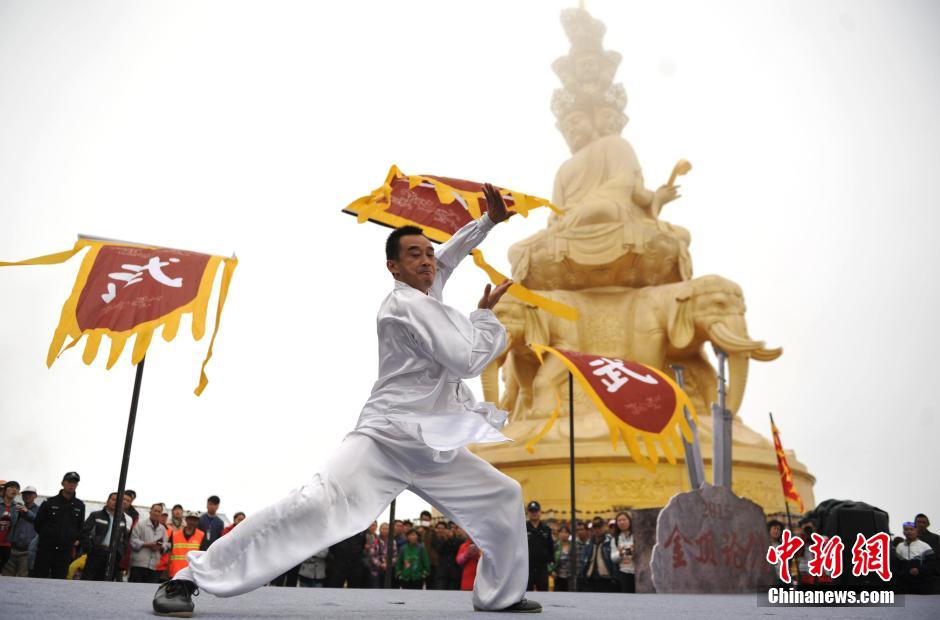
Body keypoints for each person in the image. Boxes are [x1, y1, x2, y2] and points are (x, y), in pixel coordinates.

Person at [152, 186, 538, 615]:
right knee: (311, 504)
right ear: (393, 267)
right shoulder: (405, 305)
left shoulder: (428, 287)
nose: (428, 260)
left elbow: (448, 257)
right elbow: (466, 360)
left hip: (431, 445)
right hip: (386, 438)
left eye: (429, 253)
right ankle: (186, 578)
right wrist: (483, 318)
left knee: (504, 495)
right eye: (416, 255)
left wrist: (486, 223)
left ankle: (500, 596)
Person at [33, 472, 85, 579]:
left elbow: (80, 527)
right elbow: (38, 524)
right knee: (38, 579)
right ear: (63, 483)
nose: (72, 485)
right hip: (46, 549)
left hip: (64, 552)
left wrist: (73, 540)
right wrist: (47, 536)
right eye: (69, 481)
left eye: (74, 482)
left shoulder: (80, 505)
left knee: (59, 582)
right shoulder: (49, 502)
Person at [80, 492, 132, 581]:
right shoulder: (95, 515)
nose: (115, 502)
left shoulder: (122, 518)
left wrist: (120, 553)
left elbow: (125, 538)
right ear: (107, 501)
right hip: (96, 553)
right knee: (88, 581)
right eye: (113, 499)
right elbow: (85, 533)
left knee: (106, 582)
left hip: (113, 556)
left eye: (118, 500)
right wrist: (90, 549)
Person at [3, 484, 39, 576]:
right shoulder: (15, 508)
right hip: (11, 549)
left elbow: (37, 521)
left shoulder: (40, 510)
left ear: (35, 495)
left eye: (30, 494)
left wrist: (26, 512)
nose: (27, 496)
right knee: (6, 577)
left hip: (27, 552)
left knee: (23, 579)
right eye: (25, 494)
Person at [130, 503, 170, 583]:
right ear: (150, 511)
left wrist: (161, 546)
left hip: (154, 566)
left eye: (159, 512)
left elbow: (167, 544)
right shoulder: (140, 525)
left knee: (148, 592)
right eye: (155, 511)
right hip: (138, 565)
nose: (157, 513)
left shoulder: (162, 529)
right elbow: (133, 541)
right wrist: (147, 544)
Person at [580, 517, 617, 592]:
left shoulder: (610, 542)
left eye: (599, 527)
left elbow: (614, 561)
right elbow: (583, 561)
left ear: (604, 527)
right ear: (592, 529)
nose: (597, 530)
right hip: (590, 579)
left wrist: (614, 577)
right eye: (595, 527)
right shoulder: (588, 544)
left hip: (607, 579)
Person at [895, 521, 933, 594]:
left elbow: (932, 564)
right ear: (903, 532)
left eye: (911, 529)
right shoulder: (899, 546)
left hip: (920, 584)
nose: (909, 532)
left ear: (916, 531)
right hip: (903, 584)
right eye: (906, 529)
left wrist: (920, 570)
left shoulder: (925, 546)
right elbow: (896, 564)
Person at [525, 501, 554, 592]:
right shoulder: (523, 528)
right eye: (531, 511)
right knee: (527, 594)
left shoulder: (546, 529)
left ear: (540, 512)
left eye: (536, 511)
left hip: (542, 568)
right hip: (527, 567)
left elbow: (551, 546)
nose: (534, 513)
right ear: (528, 513)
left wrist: (551, 562)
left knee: (544, 594)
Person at [168, 511, 205, 578]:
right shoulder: (174, 535)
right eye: (190, 519)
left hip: (191, 574)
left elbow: (203, 556)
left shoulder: (202, 535)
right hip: (175, 573)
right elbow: (168, 554)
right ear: (186, 520)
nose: (192, 522)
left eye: (194, 520)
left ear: (197, 522)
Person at [609, 511, 635, 593]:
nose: (622, 522)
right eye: (619, 520)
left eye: (624, 519)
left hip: (638, 572)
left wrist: (636, 551)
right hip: (624, 573)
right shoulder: (615, 539)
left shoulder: (637, 535)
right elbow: (613, 559)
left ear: (630, 521)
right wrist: (619, 554)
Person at [0, 481, 20, 572]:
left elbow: (34, 518)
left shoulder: (17, 506)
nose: (14, 489)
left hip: (6, 543)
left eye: (16, 488)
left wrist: (26, 511)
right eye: (11, 487)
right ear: (4, 490)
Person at [552, 524, 573, 591]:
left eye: (566, 532)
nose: (564, 534)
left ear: (569, 534)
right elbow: (549, 559)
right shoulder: (555, 545)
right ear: (558, 534)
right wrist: (551, 571)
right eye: (561, 532)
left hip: (570, 577)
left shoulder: (574, 545)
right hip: (558, 576)